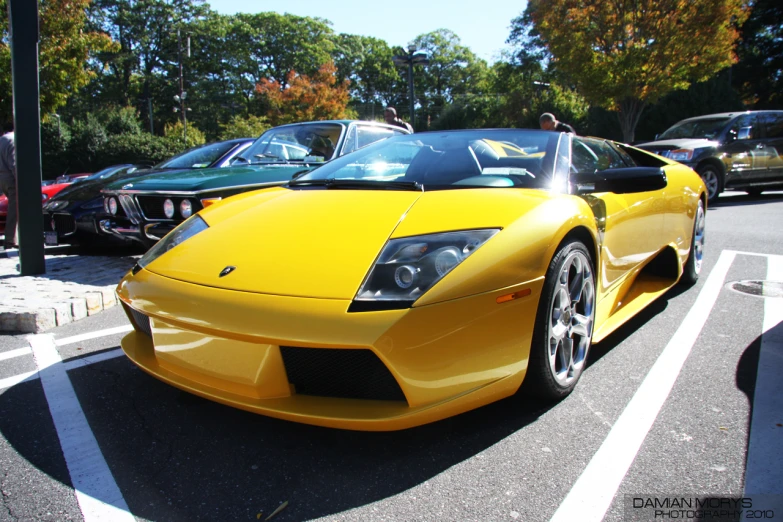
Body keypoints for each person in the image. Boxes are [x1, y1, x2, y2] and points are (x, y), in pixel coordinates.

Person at [0, 128, 16, 250]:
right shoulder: (14, 139)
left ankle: (13, 238)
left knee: (13, 209)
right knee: (15, 210)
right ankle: (10, 240)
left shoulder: (3, 139)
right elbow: (14, 164)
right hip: (12, 179)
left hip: (3, 178)